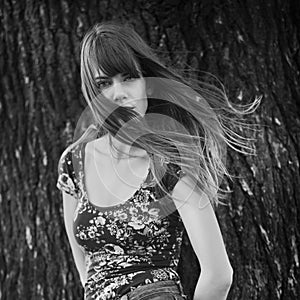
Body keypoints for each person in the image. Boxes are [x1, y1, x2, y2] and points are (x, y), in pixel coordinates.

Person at [56, 22, 261, 300]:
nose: (118, 93)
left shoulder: (171, 164)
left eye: (128, 77)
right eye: (104, 83)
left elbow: (218, 275)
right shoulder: (74, 161)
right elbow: (84, 265)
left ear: (147, 82)